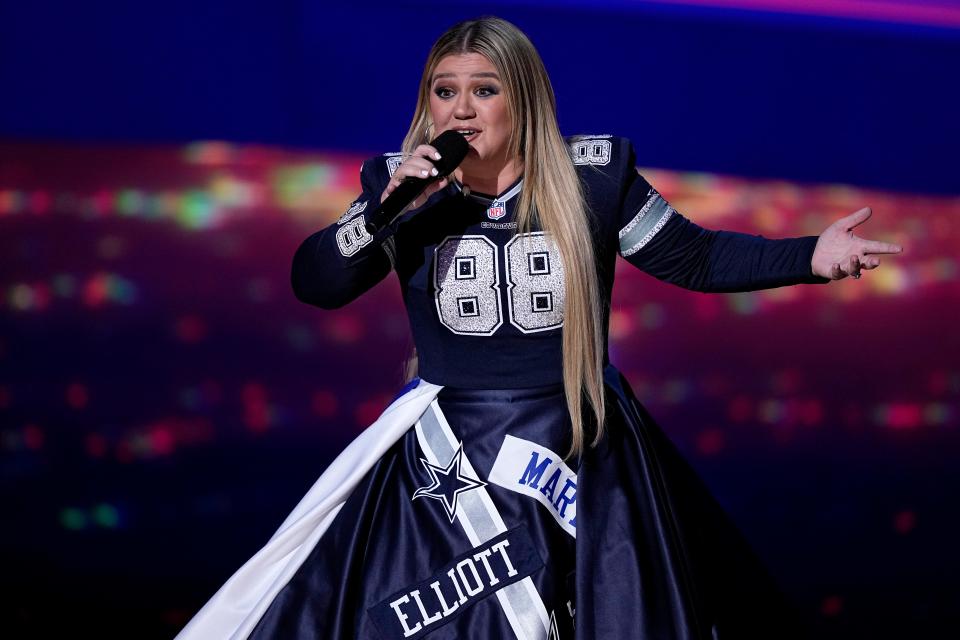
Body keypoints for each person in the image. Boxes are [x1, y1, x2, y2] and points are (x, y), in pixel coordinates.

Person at [177, 16, 901, 640]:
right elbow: (316, 283)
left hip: (575, 440)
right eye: (446, 91)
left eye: (484, 90)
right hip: (448, 456)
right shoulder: (398, 188)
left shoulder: (592, 177)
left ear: (521, 99)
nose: (463, 110)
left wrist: (813, 255)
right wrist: (384, 213)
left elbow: (696, 256)